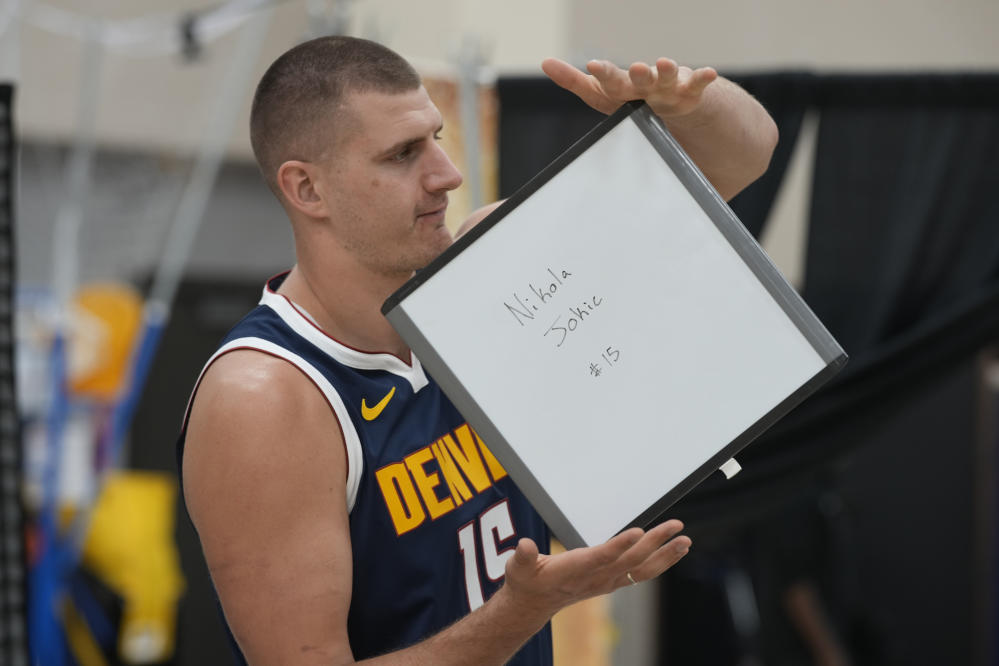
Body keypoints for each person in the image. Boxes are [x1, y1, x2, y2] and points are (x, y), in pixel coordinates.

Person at [179, 35, 778, 665]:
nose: (447, 173)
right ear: (307, 190)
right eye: (404, 154)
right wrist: (521, 612)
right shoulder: (266, 398)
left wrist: (687, 104)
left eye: (436, 137)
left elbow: (744, 157)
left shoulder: (489, 270)